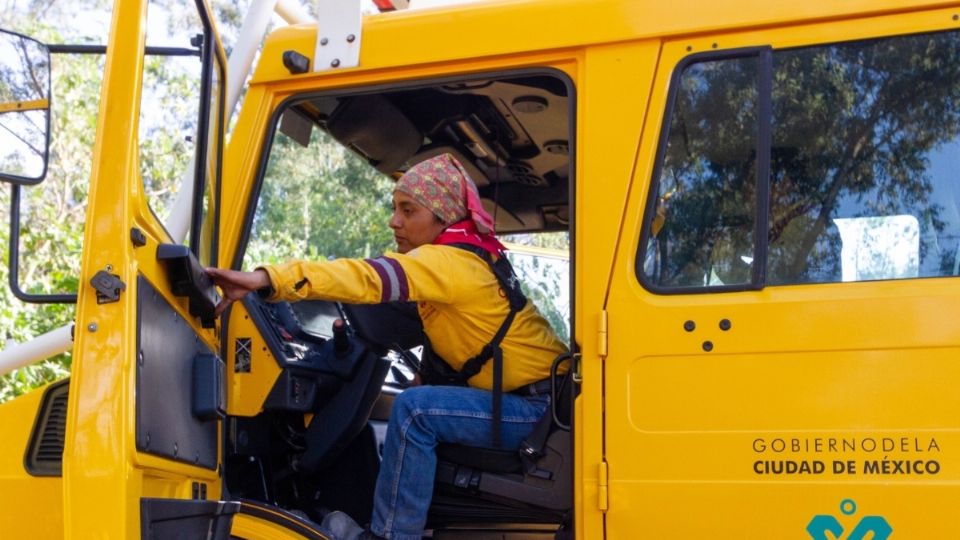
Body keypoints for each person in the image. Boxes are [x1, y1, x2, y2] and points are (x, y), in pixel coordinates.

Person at [207, 153, 567, 540]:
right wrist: (422, 378)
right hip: (544, 406)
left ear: (442, 217)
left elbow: (366, 277)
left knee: (414, 413)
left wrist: (267, 279)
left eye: (408, 210)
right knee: (415, 399)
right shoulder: (467, 259)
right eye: (395, 208)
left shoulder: (447, 263)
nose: (395, 221)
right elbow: (455, 345)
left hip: (537, 413)